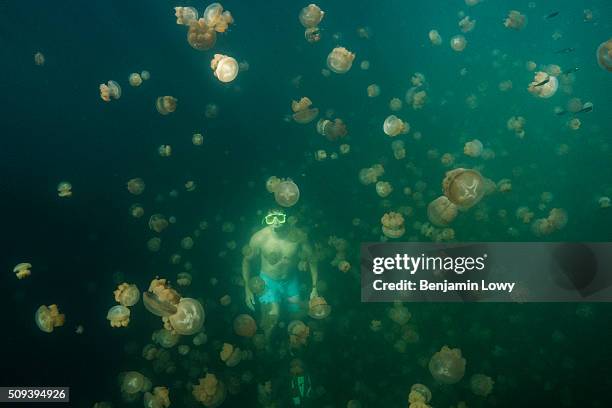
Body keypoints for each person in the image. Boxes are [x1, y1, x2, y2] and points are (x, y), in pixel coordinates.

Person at [242, 209, 318, 343]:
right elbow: (246, 261)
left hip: (291, 281)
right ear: (265, 220)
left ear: (286, 218)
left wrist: (315, 287)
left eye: (279, 218)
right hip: (266, 282)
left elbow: (312, 259)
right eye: (271, 219)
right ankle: (266, 345)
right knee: (273, 317)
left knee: (297, 318)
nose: (276, 222)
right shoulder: (259, 238)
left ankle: (295, 347)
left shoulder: (298, 235)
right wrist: (247, 288)